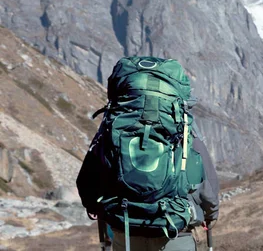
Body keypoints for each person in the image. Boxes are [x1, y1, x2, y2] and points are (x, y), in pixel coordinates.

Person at [76, 57, 220, 251]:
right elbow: (206, 181)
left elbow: (87, 178)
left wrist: (93, 206)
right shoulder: (183, 130)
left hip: (125, 230)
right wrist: (211, 215)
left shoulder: (112, 127)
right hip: (175, 232)